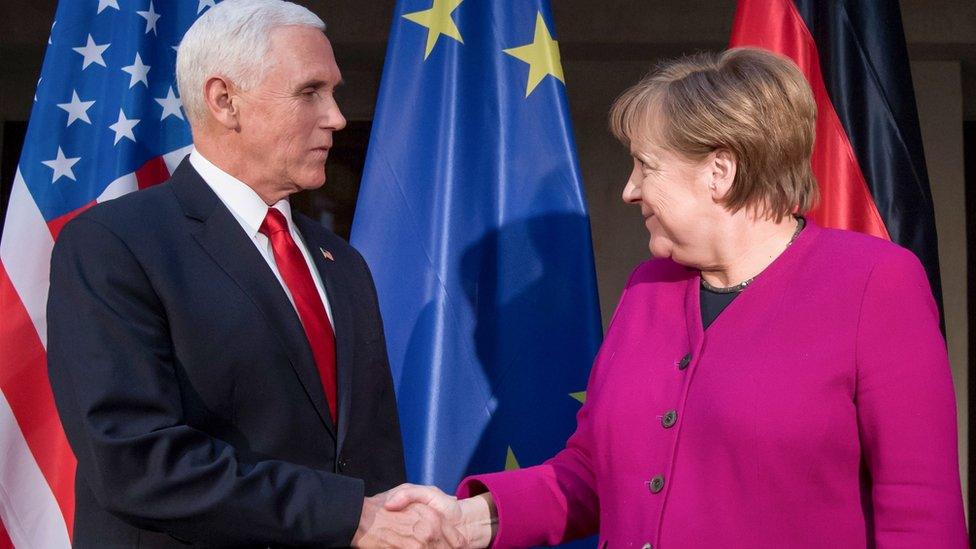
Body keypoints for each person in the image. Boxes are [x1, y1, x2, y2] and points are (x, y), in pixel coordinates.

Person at [384, 48, 968, 547]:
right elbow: (594, 472)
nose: (629, 190)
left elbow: (920, 511)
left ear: (719, 171)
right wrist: (466, 521)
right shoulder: (649, 290)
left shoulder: (875, 283)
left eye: (645, 165)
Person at [46, 1, 461, 546]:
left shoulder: (343, 263)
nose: (336, 116)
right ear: (225, 101)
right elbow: (133, 460)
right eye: (310, 92)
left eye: (333, 93)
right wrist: (349, 516)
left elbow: (369, 456)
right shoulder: (114, 244)